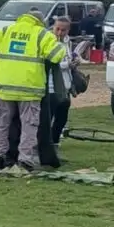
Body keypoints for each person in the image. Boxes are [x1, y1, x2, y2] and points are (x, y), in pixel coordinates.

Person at [0, 9, 66, 172]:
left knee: (1, 124)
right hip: (30, 89)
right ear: (40, 22)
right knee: (29, 126)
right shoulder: (41, 34)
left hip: (4, 87)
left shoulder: (7, 30)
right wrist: (58, 42)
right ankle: (25, 160)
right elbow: (57, 55)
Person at [48, 16, 76, 146]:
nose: (59, 32)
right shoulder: (48, 41)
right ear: (53, 27)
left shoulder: (67, 42)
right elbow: (51, 64)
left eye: (63, 30)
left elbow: (67, 58)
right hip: (51, 85)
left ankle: (54, 140)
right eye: (57, 29)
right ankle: (46, 142)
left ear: (68, 30)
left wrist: (75, 62)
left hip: (65, 85)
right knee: (50, 115)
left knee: (62, 116)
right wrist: (67, 65)